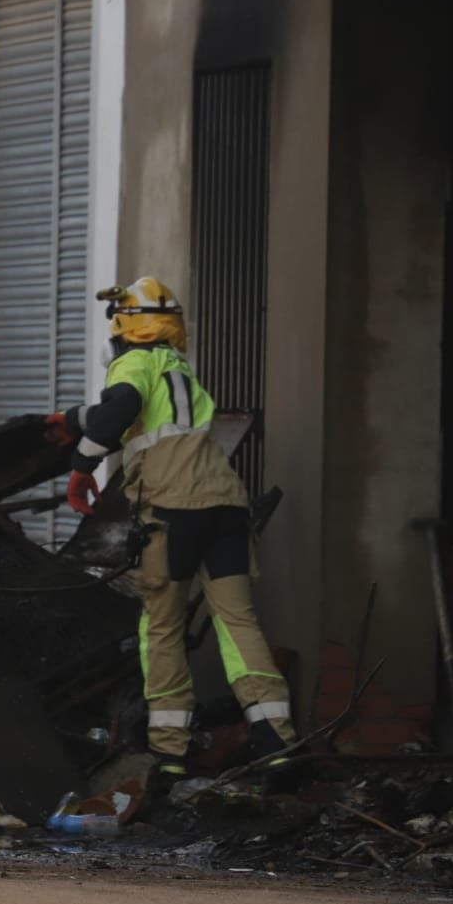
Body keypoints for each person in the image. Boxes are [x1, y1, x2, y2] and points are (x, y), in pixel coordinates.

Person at [45, 277, 297, 784]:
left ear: (123, 325)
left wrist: (81, 465)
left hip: (174, 512)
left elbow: (121, 407)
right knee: (237, 621)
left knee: (162, 626)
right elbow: (131, 411)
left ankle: (169, 751)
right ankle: (277, 740)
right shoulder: (178, 370)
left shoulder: (131, 363)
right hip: (226, 507)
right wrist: (74, 418)